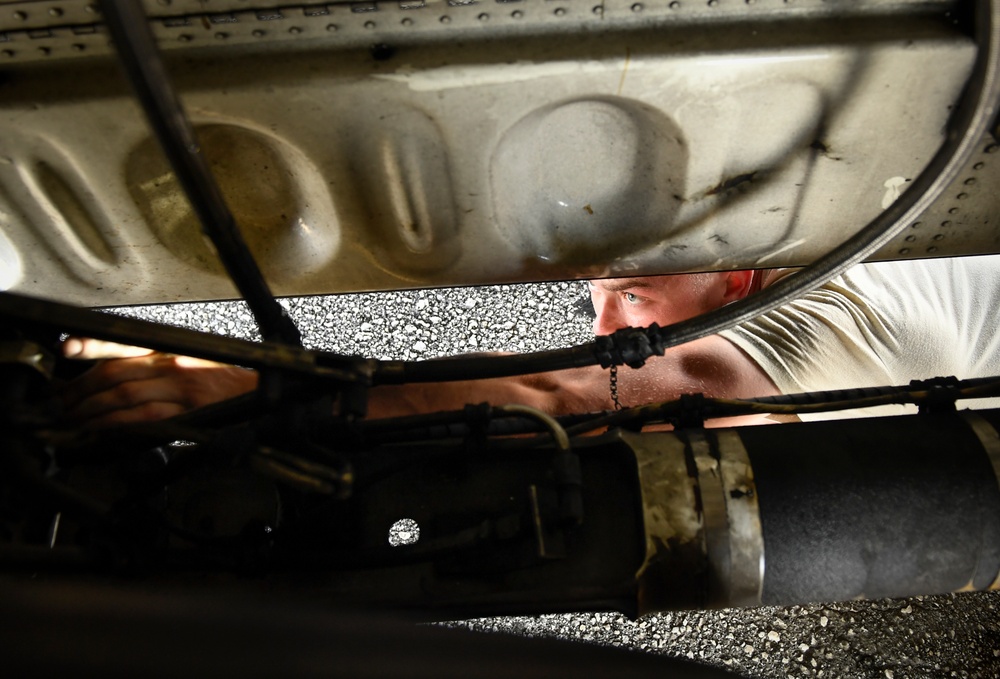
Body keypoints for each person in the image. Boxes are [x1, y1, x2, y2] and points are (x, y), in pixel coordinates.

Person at [60, 255, 1000, 428]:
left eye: (628, 292)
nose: (604, 328)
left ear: (740, 275)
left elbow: (566, 396)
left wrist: (252, 389)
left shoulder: (844, 316)